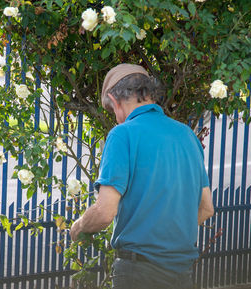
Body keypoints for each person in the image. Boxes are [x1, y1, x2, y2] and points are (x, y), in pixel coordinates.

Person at [70, 63, 215, 289]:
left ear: (114, 99)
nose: (116, 119)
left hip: (139, 273)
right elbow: (206, 208)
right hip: (182, 271)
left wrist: (78, 227)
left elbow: (105, 212)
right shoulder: (186, 135)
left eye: (112, 111)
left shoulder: (122, 134)